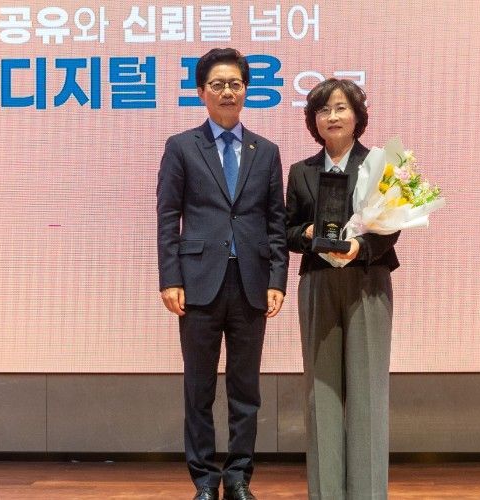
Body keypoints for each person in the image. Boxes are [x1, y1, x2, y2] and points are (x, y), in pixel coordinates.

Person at [157, 48, 288, 500]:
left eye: (235, 83)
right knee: (199, 388)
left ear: (246, 90)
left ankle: (238, 477)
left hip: (251, 283)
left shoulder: (266, 151)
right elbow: (167, 217)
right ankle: (204, 480)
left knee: (245, 389)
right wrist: (170, 278)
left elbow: (275, 221)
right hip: (197, 283)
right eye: (218, 84)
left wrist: (277, 279)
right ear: (201, 92)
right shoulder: (181, 147)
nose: (227, 91)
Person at [285, 79, 400, 500]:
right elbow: (286, 230)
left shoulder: (382, 165)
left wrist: (359, 247)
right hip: (317, 281)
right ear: (313, 120)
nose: (332, 117)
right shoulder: (301, 171)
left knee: (368, 391)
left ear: (357, 116)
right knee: (322, 392)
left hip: (368, 281)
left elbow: (392, 227)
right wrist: (306, 234)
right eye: (323, 110)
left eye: (340, 108)